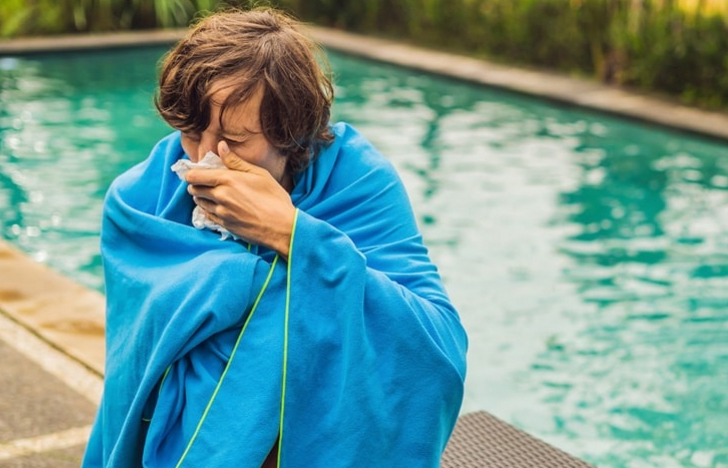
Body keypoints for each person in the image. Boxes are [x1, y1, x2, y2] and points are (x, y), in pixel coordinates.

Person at [82, 8, 469, 468]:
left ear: (291, 133)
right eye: (190, 131)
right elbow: (137, 361)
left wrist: (292, 233)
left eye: (234, 140)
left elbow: (436, 347)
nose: (205, 157)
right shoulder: (141, 198)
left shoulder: (358, 182)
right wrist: (265, 278)